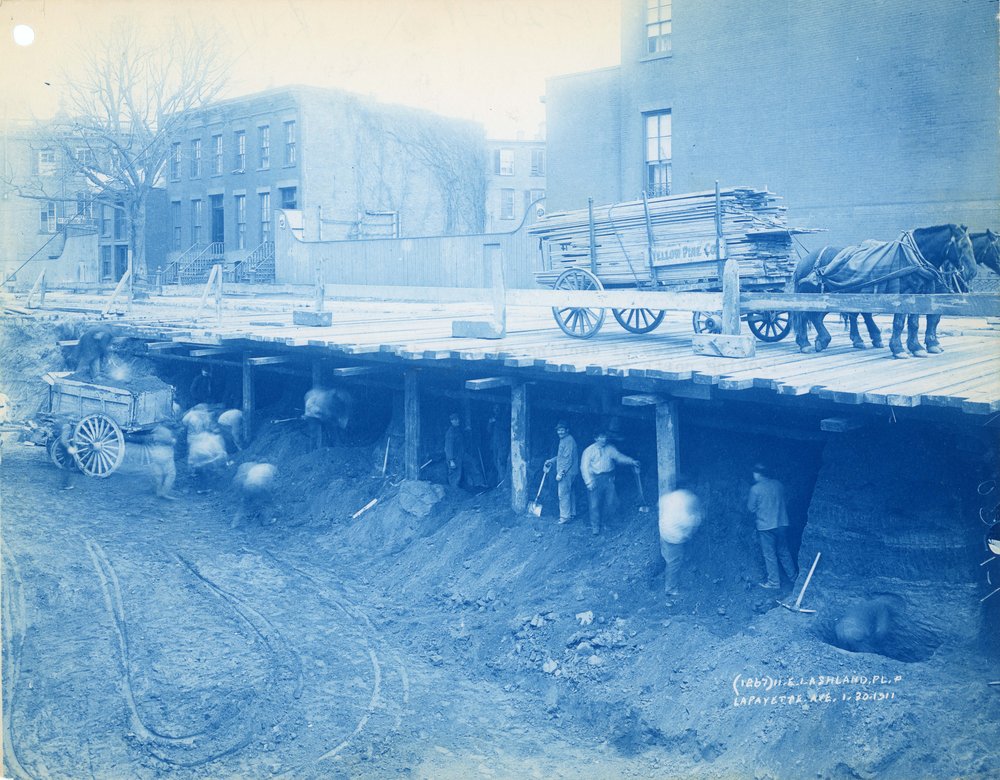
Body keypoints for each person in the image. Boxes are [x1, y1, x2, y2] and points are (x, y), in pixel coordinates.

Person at [747, 463, 798, 589]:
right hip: (781, 524)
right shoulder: (778, 484)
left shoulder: (755, 489)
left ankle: (774, 582)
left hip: (766, 526)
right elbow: (784, 500)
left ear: (758, 474)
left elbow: (750, 508)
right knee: (784, 551)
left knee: (769, 554)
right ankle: (794, 577)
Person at [580, 430, 639, 535]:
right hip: (595, 479)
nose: (604, 439)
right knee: (594, 504)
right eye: (601, 437)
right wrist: (589, 482)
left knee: (611, 502)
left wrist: (631, 461)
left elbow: (619, 457)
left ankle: (607, 524)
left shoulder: (610, 448)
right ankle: (595, 527)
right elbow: (584, 467)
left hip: (608, 478)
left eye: (605, 437)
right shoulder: (589, 451)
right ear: (595, 438)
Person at [658, 479, 703, 599]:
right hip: (675, 536)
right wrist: (691, 529)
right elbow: (692, 518)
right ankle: (671, 589)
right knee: (674, 562)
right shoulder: (689, 497)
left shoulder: (666, 497)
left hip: (664, 532)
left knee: (669, 558)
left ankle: (666, 572)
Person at [544, 421, 579, 524]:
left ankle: (564, 517)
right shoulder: (565, 440)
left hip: (567, 472)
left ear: (567, 430)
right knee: (570, 492)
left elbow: (568, 459)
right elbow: (561, 457)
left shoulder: (568, 441)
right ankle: (572, 513)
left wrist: (561, 473)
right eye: (558, 430)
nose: (560, 432)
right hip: (571, 471)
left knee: (563, 494)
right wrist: (552, 460)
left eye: (562, 430)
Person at [147, 425, 177, 500]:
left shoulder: (155, 430)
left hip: (155, 453)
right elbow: (172, 441)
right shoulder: (167, 432)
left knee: (158, 474)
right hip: (165, 454)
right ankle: (164, 492)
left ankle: (158, 491)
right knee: (171, 474)